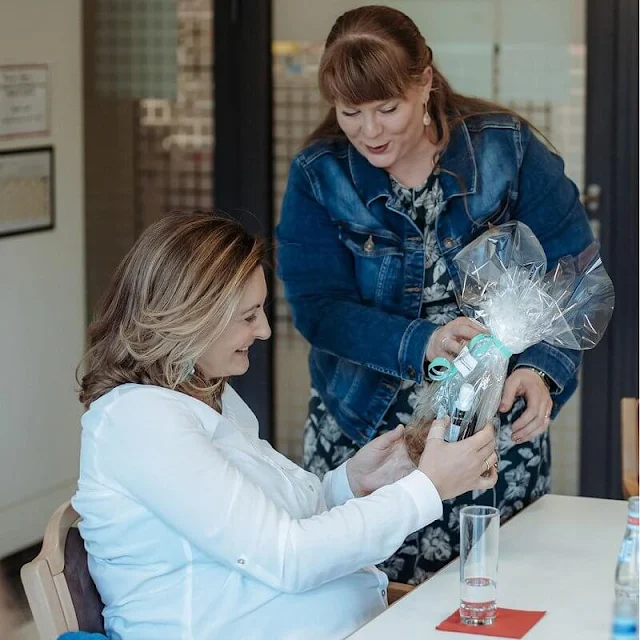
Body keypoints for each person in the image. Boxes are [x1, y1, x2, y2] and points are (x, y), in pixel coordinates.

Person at [276, 5, 594, 584]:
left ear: (424, 82)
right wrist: (421, 341)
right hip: (371, 437)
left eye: (387, 108)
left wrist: (543, 372)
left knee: (492, 593)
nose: (369, 132)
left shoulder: (509, 151)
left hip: (489, 433)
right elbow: (318, 309)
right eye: (351, 112)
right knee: (368, 600)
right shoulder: (320, 175)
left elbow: (573, 275)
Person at [72, 211, 497, 639]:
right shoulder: (140, 422)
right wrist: (428, 488)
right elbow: (287, 556)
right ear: (190, 317)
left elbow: (269, 524)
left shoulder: (205, 396)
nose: (264, 332)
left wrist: (354, 483)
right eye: (248, 315)